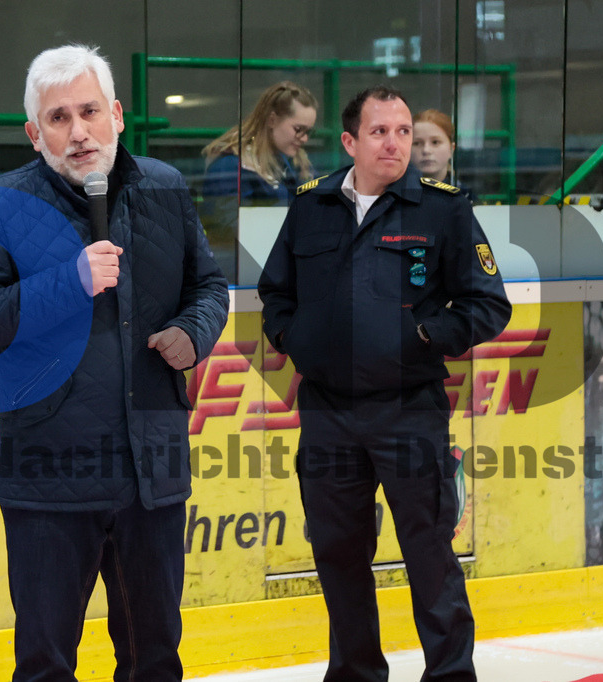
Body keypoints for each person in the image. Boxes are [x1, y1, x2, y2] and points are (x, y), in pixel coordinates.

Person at [0, 45, 229, 681]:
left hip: (150, 473)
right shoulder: (0, 204)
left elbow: (208, 286)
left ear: (118, 116)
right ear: (32, 132)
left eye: (89, 111)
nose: (78, 132)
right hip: (49, 478)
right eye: (58, 118)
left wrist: (194, 331)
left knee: (154, 660)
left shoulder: (164, 188)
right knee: (45, 664)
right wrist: (70, 281)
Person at [258, 86, 512, 681]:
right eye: (380, 132)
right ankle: (355, 673)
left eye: (403, 130)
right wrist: (294, 340)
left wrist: (424, 337)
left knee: (430, 556)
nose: (396, 142)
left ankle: (450, 674)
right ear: (350, 142)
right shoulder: (309, 207)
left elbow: (487, 305)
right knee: (339, 557)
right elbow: (276, 293)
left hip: (409, 410)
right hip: (327, 414)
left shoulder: (443, 209)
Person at [201, 81, 318, 279]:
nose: (304, 138)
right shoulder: (231, 166)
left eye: (309, 132)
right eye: (299, 129)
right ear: (272, 120)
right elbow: (226, 230)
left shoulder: (296, 165)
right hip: (242, 276)